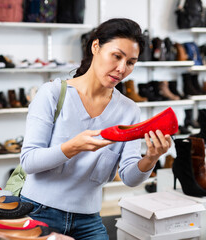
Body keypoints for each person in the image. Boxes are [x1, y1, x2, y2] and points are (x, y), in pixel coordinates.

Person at [19, 18, 172, 240]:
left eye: (130, 62)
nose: (121, 69)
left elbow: (129, 177)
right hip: (38, 211)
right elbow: (29, 161)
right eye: (116, 56)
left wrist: (151, 157)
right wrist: (72, 147)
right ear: (96, 47)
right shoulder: (52, 93)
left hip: (88, 220)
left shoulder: (128, 110)